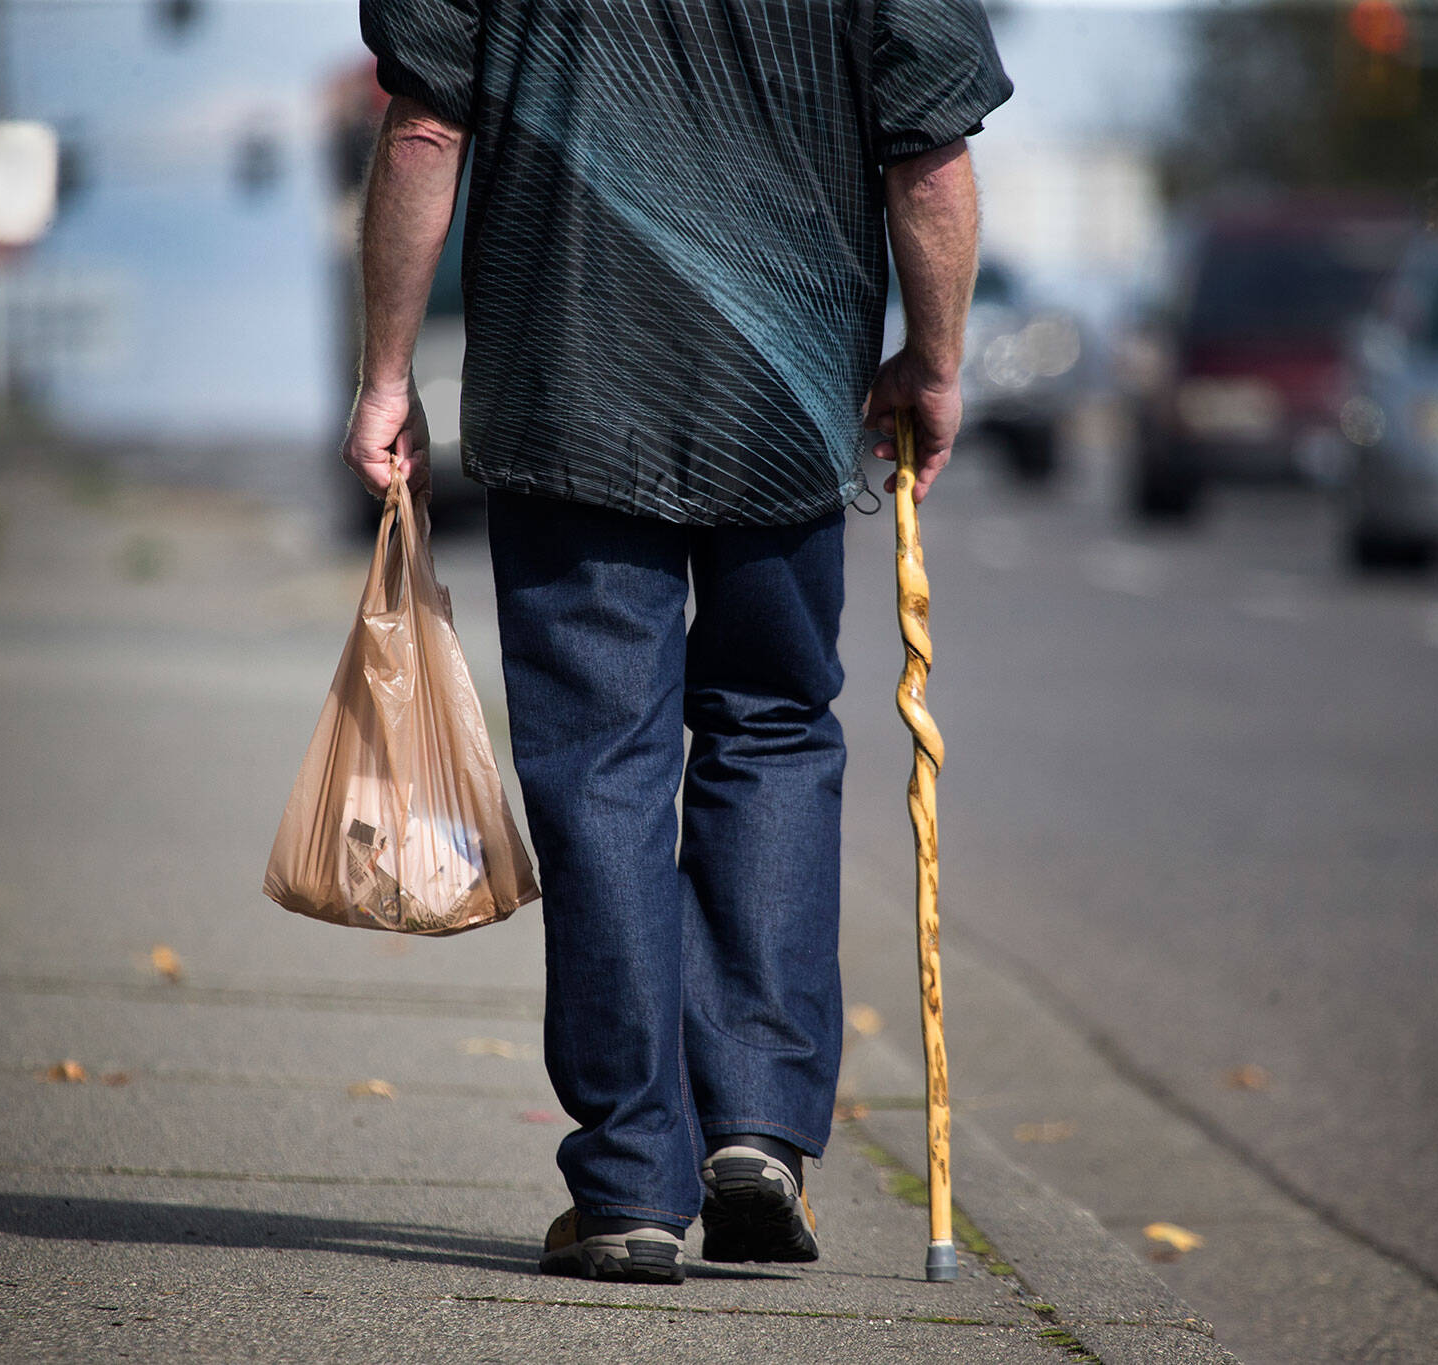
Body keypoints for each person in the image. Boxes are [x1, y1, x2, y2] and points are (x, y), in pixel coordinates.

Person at [346, 0, 1008, 1284]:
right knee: (768, 730)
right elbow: (929, 155)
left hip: (568, 384)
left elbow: (425, 126)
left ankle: (629, 1182)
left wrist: (386, 372)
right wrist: (932, 361)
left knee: (600, 769)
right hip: (784, 393)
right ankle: (756, 1127)